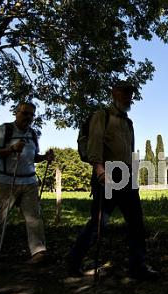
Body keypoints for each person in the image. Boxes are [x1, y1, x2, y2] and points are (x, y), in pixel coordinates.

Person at [66, 81, 159, 280]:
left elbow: (128, 151)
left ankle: (138, 266)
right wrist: (98, 169)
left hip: (126, 176)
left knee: (136, 222)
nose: (129, 96)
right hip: (107, 174)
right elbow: (95, 143)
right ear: (114, 93)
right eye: (125, 92)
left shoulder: (128, 122)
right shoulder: (102, 116)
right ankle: (73, 261)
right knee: (99, 223)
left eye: (131, 93)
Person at [0, 102, 54, 263]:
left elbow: (33, 157)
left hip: (29, 181)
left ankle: (38, 253)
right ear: (16, 113)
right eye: (25, 113)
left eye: (31, 115)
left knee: (34, 217)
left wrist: (45, 157)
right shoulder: (5, 129)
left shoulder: (33, 134)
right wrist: (11, 149)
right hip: (5, 181)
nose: (28, 117)